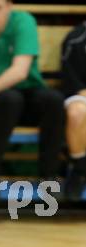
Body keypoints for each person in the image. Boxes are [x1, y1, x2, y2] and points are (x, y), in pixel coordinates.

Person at [0, 0, 65, 182]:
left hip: (22, 93)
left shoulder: (23, 21)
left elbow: (20, 71)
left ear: (9, 6)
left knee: (54, 100)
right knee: (11, 99)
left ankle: (49, 178)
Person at [61, 22, 86, 201]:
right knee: (77, 113)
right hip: (80, 94)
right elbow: (72, 80)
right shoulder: (75, 39)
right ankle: (79, 169)